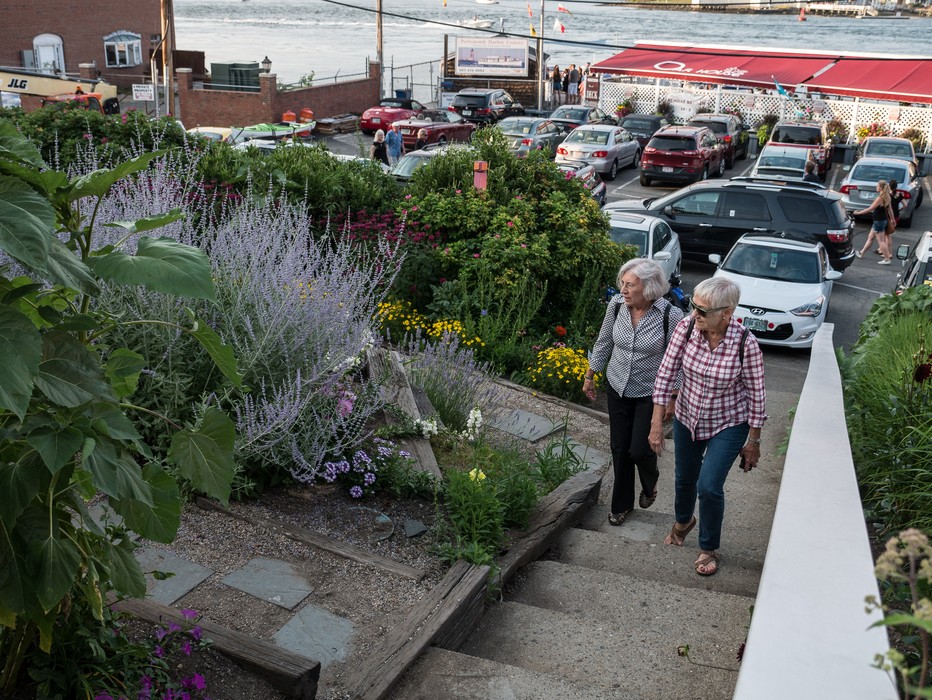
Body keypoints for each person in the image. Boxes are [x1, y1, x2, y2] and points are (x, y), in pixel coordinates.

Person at [648, 277, 766, 577]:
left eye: (703, 310)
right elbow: (665, 375)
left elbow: (757, 395)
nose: (695, 314)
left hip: (729, 421)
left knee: (709, 486)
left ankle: (708, 547)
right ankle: (683, 521)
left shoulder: (746, 344)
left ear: (727, 313)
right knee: (685, 478)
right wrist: (656, 424)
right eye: (693, 306)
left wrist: (753, 441)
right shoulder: (686, 328)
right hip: (689, 415)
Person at [583, 260, 685, 526]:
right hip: (617, 385)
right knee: (619, 448)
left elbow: (679, 359)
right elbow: (604, 341)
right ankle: (621, 505)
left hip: (650, 393)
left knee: (639, 450)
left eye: (630, 285)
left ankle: (650, 484)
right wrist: (590, 375)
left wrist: (674, 396)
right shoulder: (616, 305)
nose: (623, 290)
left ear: (649, 287)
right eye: (622, 284)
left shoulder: (670, 315)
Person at [854, 179, 894, 264]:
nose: (876, 187)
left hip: (878, 221)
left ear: (881, 187)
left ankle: (887, 259)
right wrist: (892, 219)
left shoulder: (880, 198)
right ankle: (861, 253)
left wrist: (858, 213)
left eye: (877, 186)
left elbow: (870, 208)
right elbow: (890, 209)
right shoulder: (888, 196)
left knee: (881, 241)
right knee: (871, 237)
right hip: (882, 220)